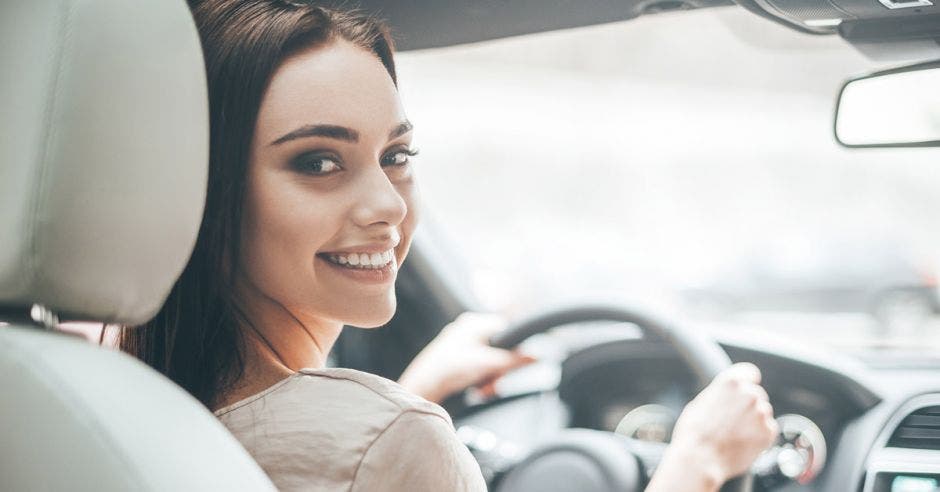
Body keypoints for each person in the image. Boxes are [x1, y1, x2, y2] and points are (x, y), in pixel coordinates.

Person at [121, 1, 778, 490]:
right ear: (203, 189)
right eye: (318, 162)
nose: (388, 203)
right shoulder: (392, 439)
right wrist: (696, 465)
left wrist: (415, 394)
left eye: (397, 154)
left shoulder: (118, 401)